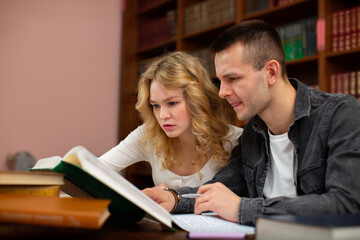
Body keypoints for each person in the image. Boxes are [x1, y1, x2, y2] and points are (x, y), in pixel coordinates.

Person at [143, 20, 360, 226]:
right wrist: (173, 199)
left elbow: (346, 204)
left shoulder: (340, 114)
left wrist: (242, 209)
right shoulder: (253, 132)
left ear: (271, 72)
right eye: (220, 81)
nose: (222, 92)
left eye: (233, 79)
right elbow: (222, 188)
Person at [99, 51, 243, 189]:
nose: (162, 116)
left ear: (197, 100)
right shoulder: (148, 134)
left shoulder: (236, 140)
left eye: (172, 103)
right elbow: (94, 169)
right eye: (155, 105)